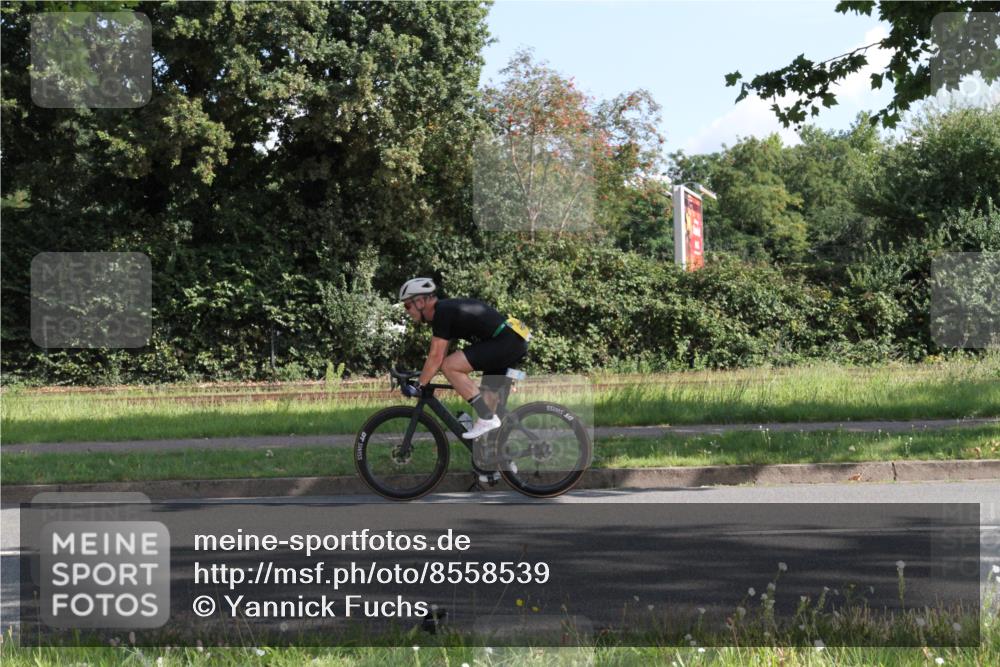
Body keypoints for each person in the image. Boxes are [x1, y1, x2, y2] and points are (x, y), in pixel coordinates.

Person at [398, 277, 530, 439]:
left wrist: (418, 385)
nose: (407, 311)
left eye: (407, 305)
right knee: (488, 411)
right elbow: (439, 355)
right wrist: (423, 376)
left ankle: (487, 418)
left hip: (506, 342)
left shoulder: (442, 312)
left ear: (420, 302)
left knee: (450, 366)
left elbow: (436, 357)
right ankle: (496, 452)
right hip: (510, 341)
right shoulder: (446, 310)